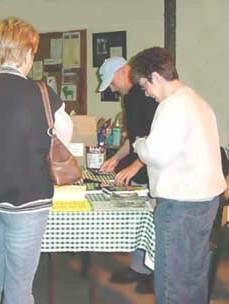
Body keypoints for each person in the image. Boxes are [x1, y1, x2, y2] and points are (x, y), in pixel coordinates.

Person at [0, 17, 73, 304]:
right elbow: (64, 138)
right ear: (29, 54)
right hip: (26, 202)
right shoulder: (42, 93)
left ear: (0, 53)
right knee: (19, 285)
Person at [131, 46, 227, 304]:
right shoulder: (197, 101)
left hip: (181, 205)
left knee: (172, 282)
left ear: (155, 76)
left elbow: (155, 153)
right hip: (206, 201)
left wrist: (138, 143)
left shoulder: (172, 106)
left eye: (144, 85)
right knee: (194, 276)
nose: (147, 93)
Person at [98, 57, 157, 293]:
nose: (112, 88)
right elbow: (134, 139)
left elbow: (155, 139)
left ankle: (156, 273)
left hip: (155, 167)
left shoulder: (143, 96)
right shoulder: (130, 97)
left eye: (112, 82)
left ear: (123, 71)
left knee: (154, 222)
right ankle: (140, 267)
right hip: (143, 165)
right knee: (145, 217)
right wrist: (117, 158)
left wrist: (134, 167)